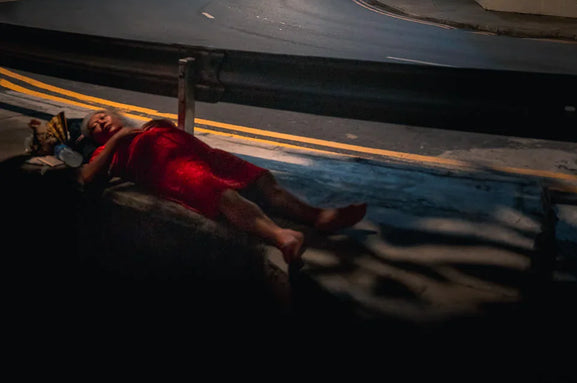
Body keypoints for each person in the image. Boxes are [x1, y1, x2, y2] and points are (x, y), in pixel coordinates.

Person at [78, 110, 367, 266]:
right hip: (177, 171)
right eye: (94, 127)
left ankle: (317, 217)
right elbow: (86, 177)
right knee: (221, 195)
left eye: (103, 117)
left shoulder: (146, 127)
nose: (101, 123)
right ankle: (282, 236)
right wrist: (117, 140)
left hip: (205, 155)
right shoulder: (107, 151)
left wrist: (157, 126)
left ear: (117, 116)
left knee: (262, 179)